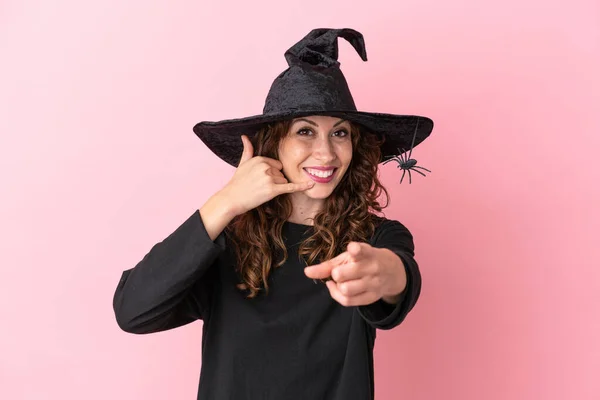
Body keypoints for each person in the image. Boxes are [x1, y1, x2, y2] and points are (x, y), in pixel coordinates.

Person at [113, 28, 434, 400]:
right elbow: (133, 310)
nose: (326, 153)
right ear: (274, 143)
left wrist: (387, 274)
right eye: (305, 131)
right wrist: (227, 201)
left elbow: (398, 277)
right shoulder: (227, 242)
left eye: (340, 134)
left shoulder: (376, 238)